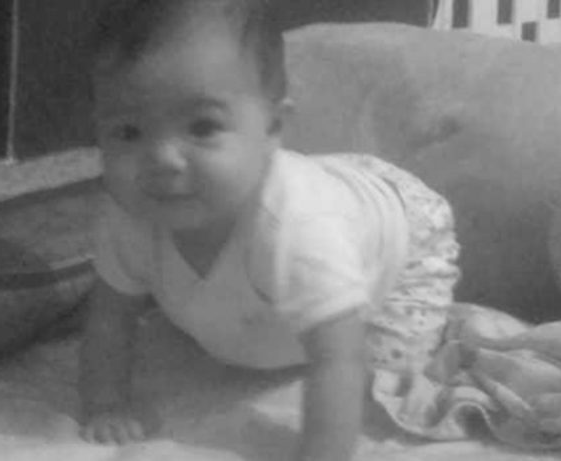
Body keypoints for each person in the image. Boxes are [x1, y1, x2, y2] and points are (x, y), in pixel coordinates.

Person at [78, 1, 460, 460]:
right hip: (319, 193)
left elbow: (338, 358)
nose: (161, 159)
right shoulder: (130, 215)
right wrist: (105, 404)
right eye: (128, 133)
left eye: (202, 126)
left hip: (403, 240)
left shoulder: (295, 228)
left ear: (273, 127)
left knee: (386, 386)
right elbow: (108, 318)